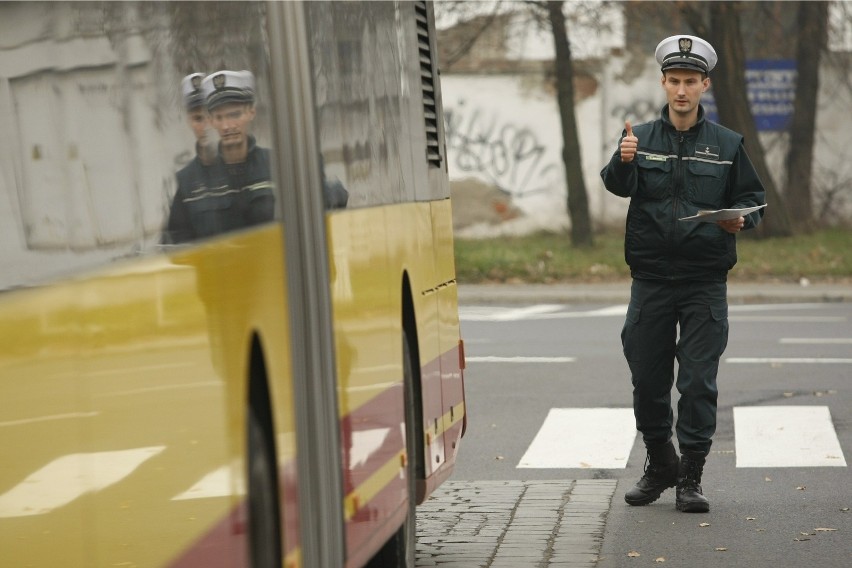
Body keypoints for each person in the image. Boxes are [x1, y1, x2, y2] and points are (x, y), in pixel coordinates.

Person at [600, 35, 766, 513]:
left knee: (696, 382)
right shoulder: (640, 138)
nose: (681, 90)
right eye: (674, 80)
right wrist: (622, 159)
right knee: (648, 379)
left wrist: (742, 218)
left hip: (704, 281)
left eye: (690, 81)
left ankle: (691, 477)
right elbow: (617, 185)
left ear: (704, 85)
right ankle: (660, 463)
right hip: (650, 278)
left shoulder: (727, 143)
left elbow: (753, 200)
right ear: (663, 83)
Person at [165, 70, 274, 243]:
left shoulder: (276, 166)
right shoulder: (189, 181)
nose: (227, 126)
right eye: (219, 117)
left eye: (235, 115)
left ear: (251, 112)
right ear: (212, 120)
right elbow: (177, 246)